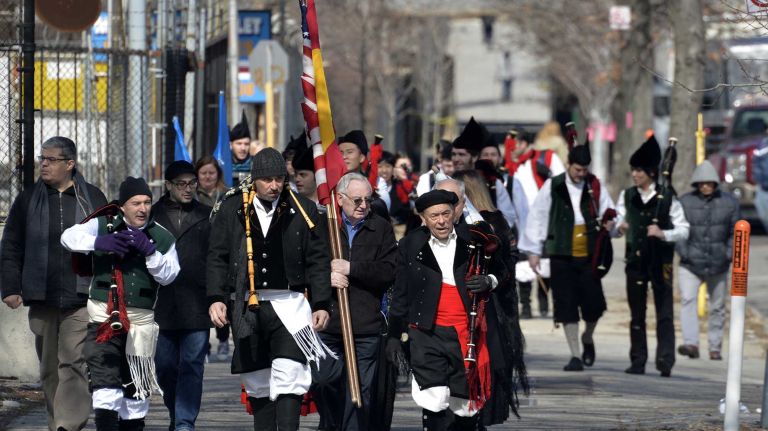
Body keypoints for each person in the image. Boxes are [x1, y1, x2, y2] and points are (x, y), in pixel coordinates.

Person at [207, 148, 333, 431]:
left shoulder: (304, 209)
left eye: (279, 179)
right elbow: (217, 256)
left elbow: (318, 261)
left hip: (291, 305)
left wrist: (323, 303)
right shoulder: (231, 208)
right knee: (258, 380)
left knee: (291, 375)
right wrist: (216, 299)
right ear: (255, 179)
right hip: (246, 306)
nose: (274, 185)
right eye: (267, 180)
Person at [0, 136, 107, 431]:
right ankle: (55, 421)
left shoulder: (93, 198)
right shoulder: (28, 199)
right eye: (42, 159)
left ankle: (67, 426)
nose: (43, 165)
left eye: (51, 160)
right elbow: (11, 245)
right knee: (49, 370)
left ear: (69, 164)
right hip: (41, 296)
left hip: (81, 296)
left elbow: (108, 242)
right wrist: (10, 287)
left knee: (73, 364)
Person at [388, 189, 518, 430]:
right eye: (434, 215)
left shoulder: (475, 239)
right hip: (426, 331)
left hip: (467, 331)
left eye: (446, 214)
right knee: (434, 397)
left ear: (454, 214)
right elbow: (401, 291)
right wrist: (395, 334)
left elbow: (503, 269)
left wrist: (489, 280)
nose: (441, 220)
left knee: (464, 404)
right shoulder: (410, 244)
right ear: (423, 219)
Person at [61, 176, 180, 431]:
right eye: (136, 202)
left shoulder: (162, 236)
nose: (143, 208)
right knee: (105, 384)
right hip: (103, 319)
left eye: (147, 202)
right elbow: (68, 237)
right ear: (123, 206)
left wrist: (150, 252)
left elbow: (170, 275)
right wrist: (98, 242)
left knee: (135, 389)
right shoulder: (103, 224)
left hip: (141, 324)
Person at [311, 172, 398, 431]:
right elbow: (305, 266)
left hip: (365, 323)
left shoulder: (380, 226)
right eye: (357, 200)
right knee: (324, 381)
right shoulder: (322, 225)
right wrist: (327, 277)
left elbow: (390, 270)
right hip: (328, 321)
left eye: (368, 200)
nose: (363, 206)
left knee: (360, 391)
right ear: (340, 199)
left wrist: (352, 268)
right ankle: (331, 424)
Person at [518, 143, 615, 371]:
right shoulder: (554, 185)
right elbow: (538, 216)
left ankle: (588, 337)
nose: (581, 174)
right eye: (577, 170)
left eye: (584, 170)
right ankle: (575, 355)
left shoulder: (594, 185)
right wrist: (533, 250)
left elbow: (609, 211)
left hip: (589, 254)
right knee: (566, 304)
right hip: (561, 253)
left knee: (594, 305)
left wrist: (613, 225)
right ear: (569, 165)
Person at [451, 170, 527, 428]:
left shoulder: (493, 222)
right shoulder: (446, 222)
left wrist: (490, 279)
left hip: (488, 306)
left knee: (486, 361)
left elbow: (506, 264)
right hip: (453, 307)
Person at [615, 135, 689, 377]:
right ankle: (638, 359)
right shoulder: (627, 196)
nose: (634, 174)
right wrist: (619, 227)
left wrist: (663, 234)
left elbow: (684, 230)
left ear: (650, 172)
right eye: (633, 170)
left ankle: (665, 360)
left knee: (664, 313)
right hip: (635, 261)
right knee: (637, 313)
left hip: (661, 262)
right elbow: (616, 222)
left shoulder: (667, 197)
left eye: (639, 170)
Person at [153, 161, 213, 431]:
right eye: (181, 184)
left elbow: (216, 259)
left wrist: (217, 297)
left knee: (192, 365)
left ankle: (184, 422)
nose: (188, 189)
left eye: (192, 183)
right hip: (161, 303)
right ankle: (176, 411)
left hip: (197, 303)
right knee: (164, 367)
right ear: (168, 186)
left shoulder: (207, 215)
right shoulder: (151, 215)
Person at [676, 160, 740, 361]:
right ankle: (691, 343)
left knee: (718, 306)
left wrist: (728, 254)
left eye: (709, 182)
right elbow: (678, 229)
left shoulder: (729, 203)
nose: (705, 186)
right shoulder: (685, 202)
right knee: (688, 300)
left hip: (719, 262)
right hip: (690, 263)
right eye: (701, 183)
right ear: (696, 183)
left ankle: (715, 347)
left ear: (715, 183)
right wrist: (684, 253)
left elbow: (735, 231)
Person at [513, 129, 565, 319]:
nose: (513, 149)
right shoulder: (511, 166)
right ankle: (525, 305)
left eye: (516, 144)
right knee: (523, 263)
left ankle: (544, 301)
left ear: (525, 144)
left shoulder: (547, 157)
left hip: (545, 219)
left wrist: (549, 175)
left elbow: (562, 183)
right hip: (521, 220)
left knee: (545, 262)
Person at [451, 117, 517, 228]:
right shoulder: (446, 180)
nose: (456, 159)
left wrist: (492, 230)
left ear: (475, 156)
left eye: (461, 155)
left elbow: (508, 216)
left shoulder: (493, 183)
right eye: (454, 154)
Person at [337, 130, 390, 218]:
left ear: (361, 157)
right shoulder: (332, 188)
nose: (344, 157)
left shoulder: (377, 200)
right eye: (340, 153)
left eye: (349, 152)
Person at [230, 110, 252, 186]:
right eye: (239, 144)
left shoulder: (256, 164)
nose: (243, 148)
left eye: (246, 144)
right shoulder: (224, 164)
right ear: (231, 144)